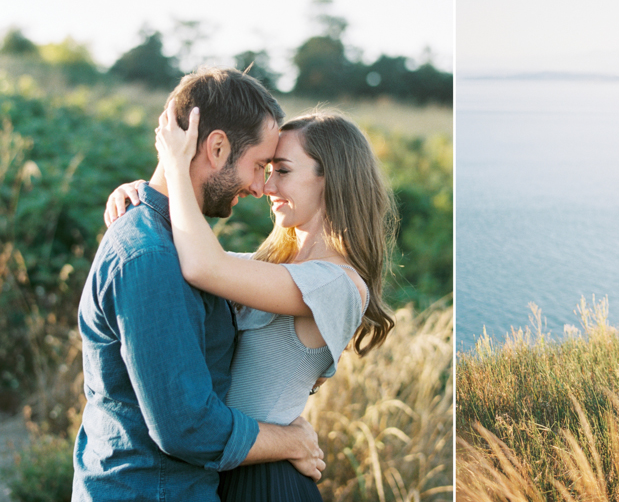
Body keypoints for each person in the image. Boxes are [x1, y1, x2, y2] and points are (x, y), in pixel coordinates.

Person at [106, 103, 397, 501]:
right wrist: (145, 196)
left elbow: (204, 267)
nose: (267, 187)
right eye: (267, 169)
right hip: (222, 468)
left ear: (332, 178)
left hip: (265, 483)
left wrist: (175, 169)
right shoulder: (269, 269)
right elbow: (193, 255)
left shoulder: (338, 284)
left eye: (283, 170)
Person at [74, 68, 325, 502]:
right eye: (258, 165)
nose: (259, 186)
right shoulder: (150, 257)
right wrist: (290, 440)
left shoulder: (178, 245)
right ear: (217, 147)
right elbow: (187, 427)